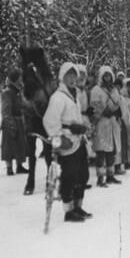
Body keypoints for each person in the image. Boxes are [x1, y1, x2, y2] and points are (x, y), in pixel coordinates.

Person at [43, 62, 91, 222]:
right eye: (68, 76)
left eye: (74, 76)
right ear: (62, 78)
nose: (72, 79)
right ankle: (68, 210)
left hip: (78, 140)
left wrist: (81, 127)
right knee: (69, 177)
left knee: (82, 175)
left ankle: (78, 206)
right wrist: (59, 138)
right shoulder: (58, 97)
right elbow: (50, 121)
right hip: (67, 142)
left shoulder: (75, 95)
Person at [89, 66, 123, 187]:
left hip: (112, 122)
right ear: (102, 76)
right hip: (101, 122)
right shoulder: (96, 90)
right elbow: (94, 105)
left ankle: (110, 175)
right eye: (105, 75)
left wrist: (116, 111)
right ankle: (100, 177)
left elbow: (118, 102)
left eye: (109, 76)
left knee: (111, 150)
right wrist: (103, 111)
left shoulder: (114, 90)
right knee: (101, 151)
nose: (107, 78)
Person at [1, 69, 28, 176]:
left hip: (19, 121)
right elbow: (6, 111)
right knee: (9, 146)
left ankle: (19, 166)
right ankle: (9, 168)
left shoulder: (18, 91)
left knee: (20, 144)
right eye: (20, 77)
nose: (21, 79)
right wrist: (11, 124)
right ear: (15, 79)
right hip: (10, 122)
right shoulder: (8, 92)